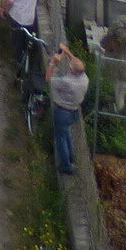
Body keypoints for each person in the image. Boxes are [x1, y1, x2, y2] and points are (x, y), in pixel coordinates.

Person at [49, 47, 88, 175]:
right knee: (67, 134)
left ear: (71, 70)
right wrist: (67, 52)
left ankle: (66, 166)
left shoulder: (67, 82)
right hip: (74, 112)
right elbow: (77, 64)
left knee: (61, 138)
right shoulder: (84, 78)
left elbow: (48, 78)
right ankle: (71, 157)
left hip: (62, 112)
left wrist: (53, 63)